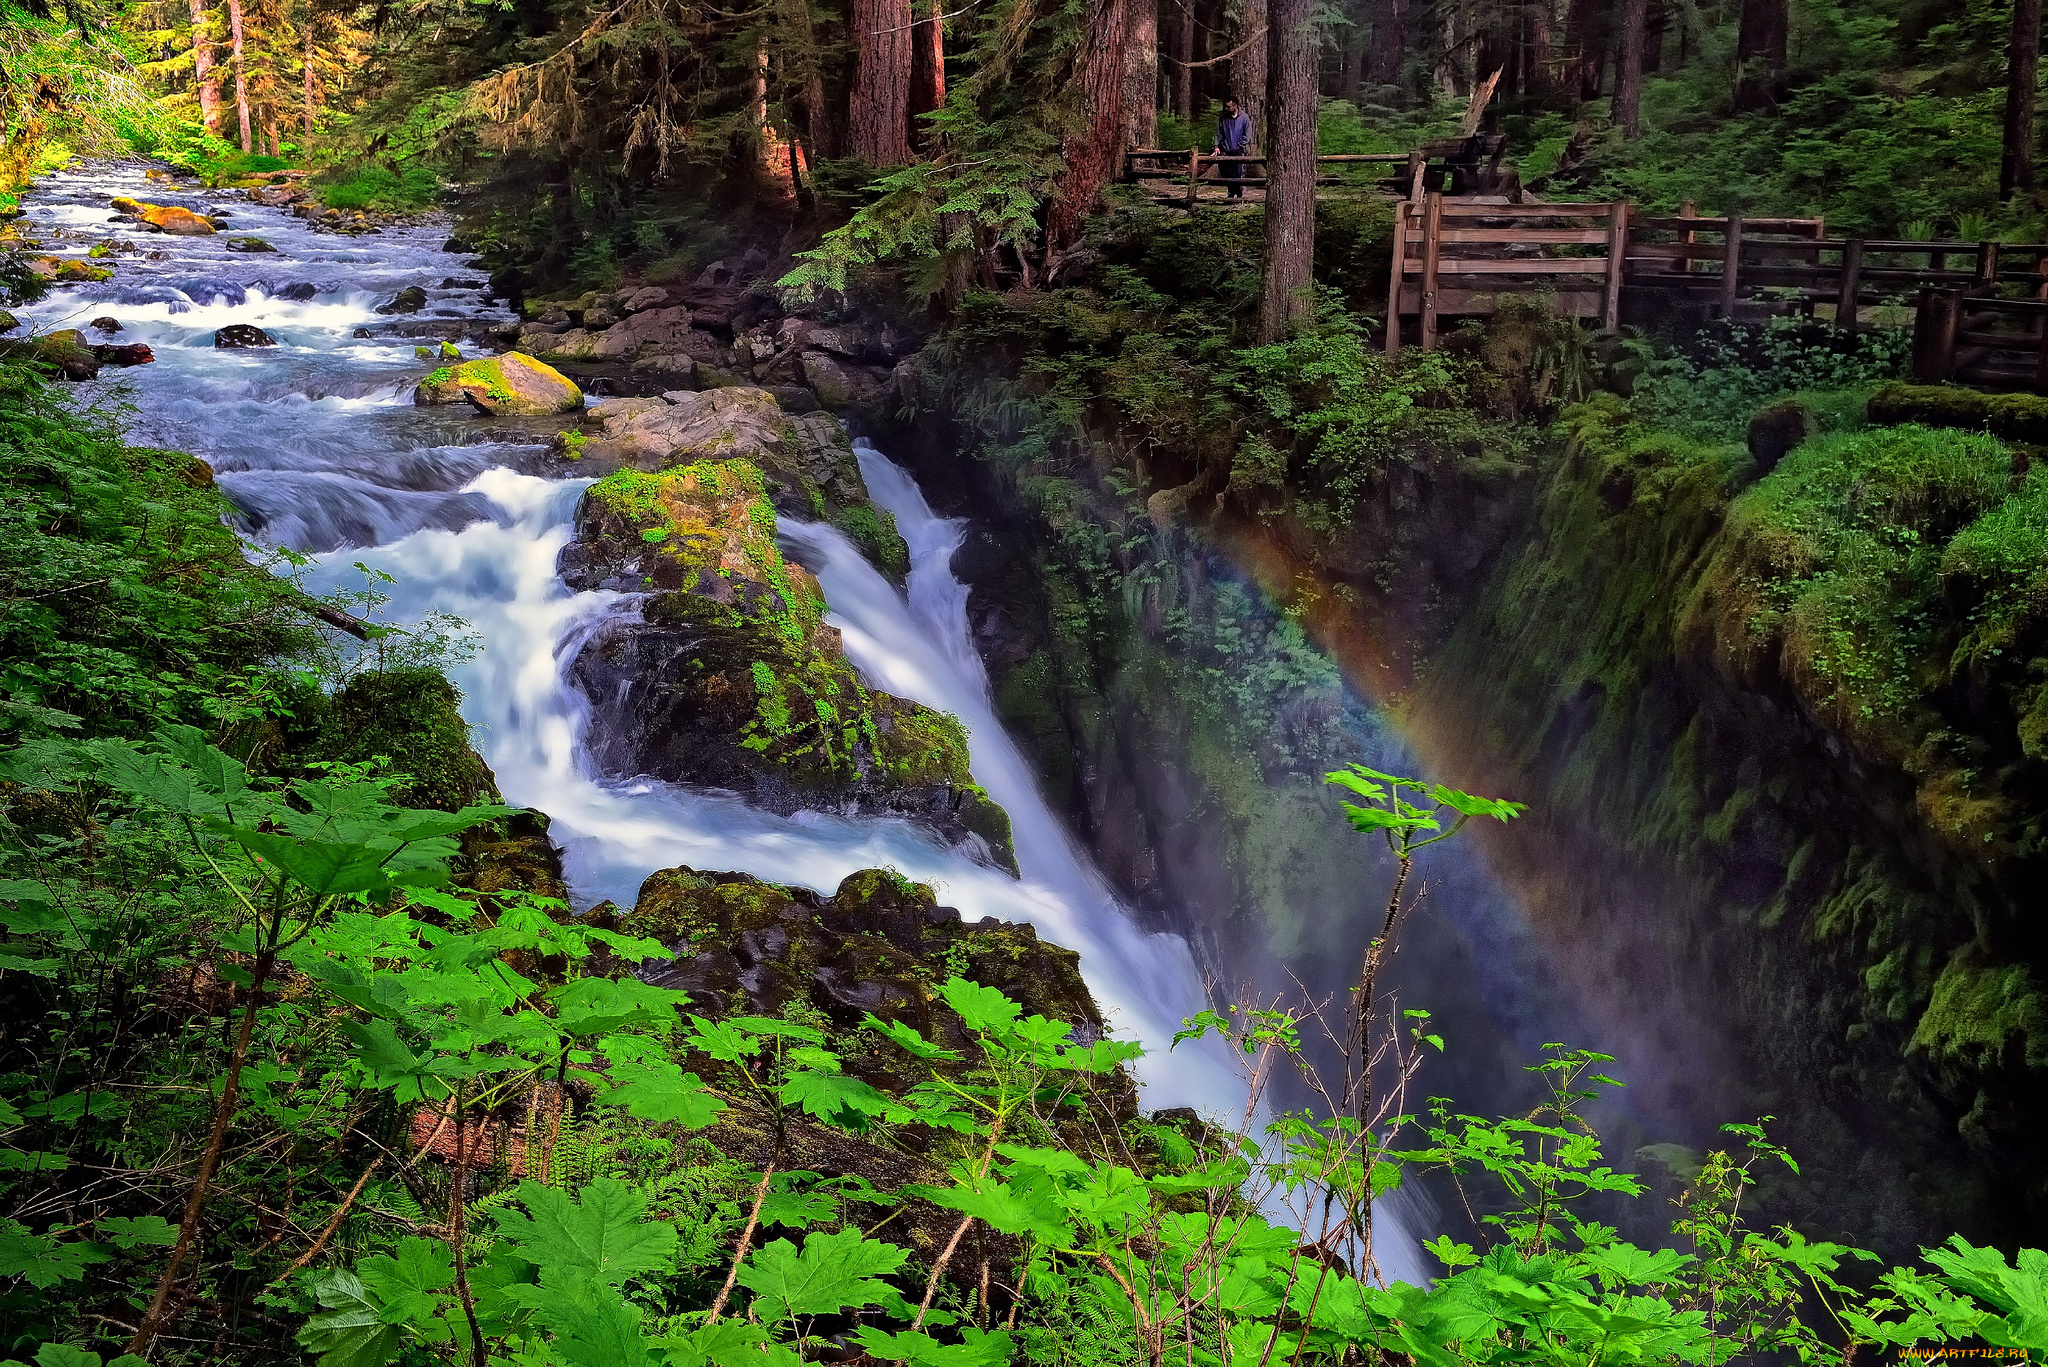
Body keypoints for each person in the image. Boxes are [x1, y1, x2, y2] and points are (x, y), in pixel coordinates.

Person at [1212, 98, 1254, 199]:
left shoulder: (1244, 118)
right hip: (1225, 149)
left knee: (1237, 173)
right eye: (1226, 106)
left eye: (1229, 106)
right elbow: (1218, 132)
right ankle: (1231, 191)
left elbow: (1247, 134)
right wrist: (1216, 146)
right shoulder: (1223, 117)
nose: (1226, 108)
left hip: (1238, 150)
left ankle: (1236, 191)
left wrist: (1240, 145)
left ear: (1235, 106)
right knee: (1225, 171)